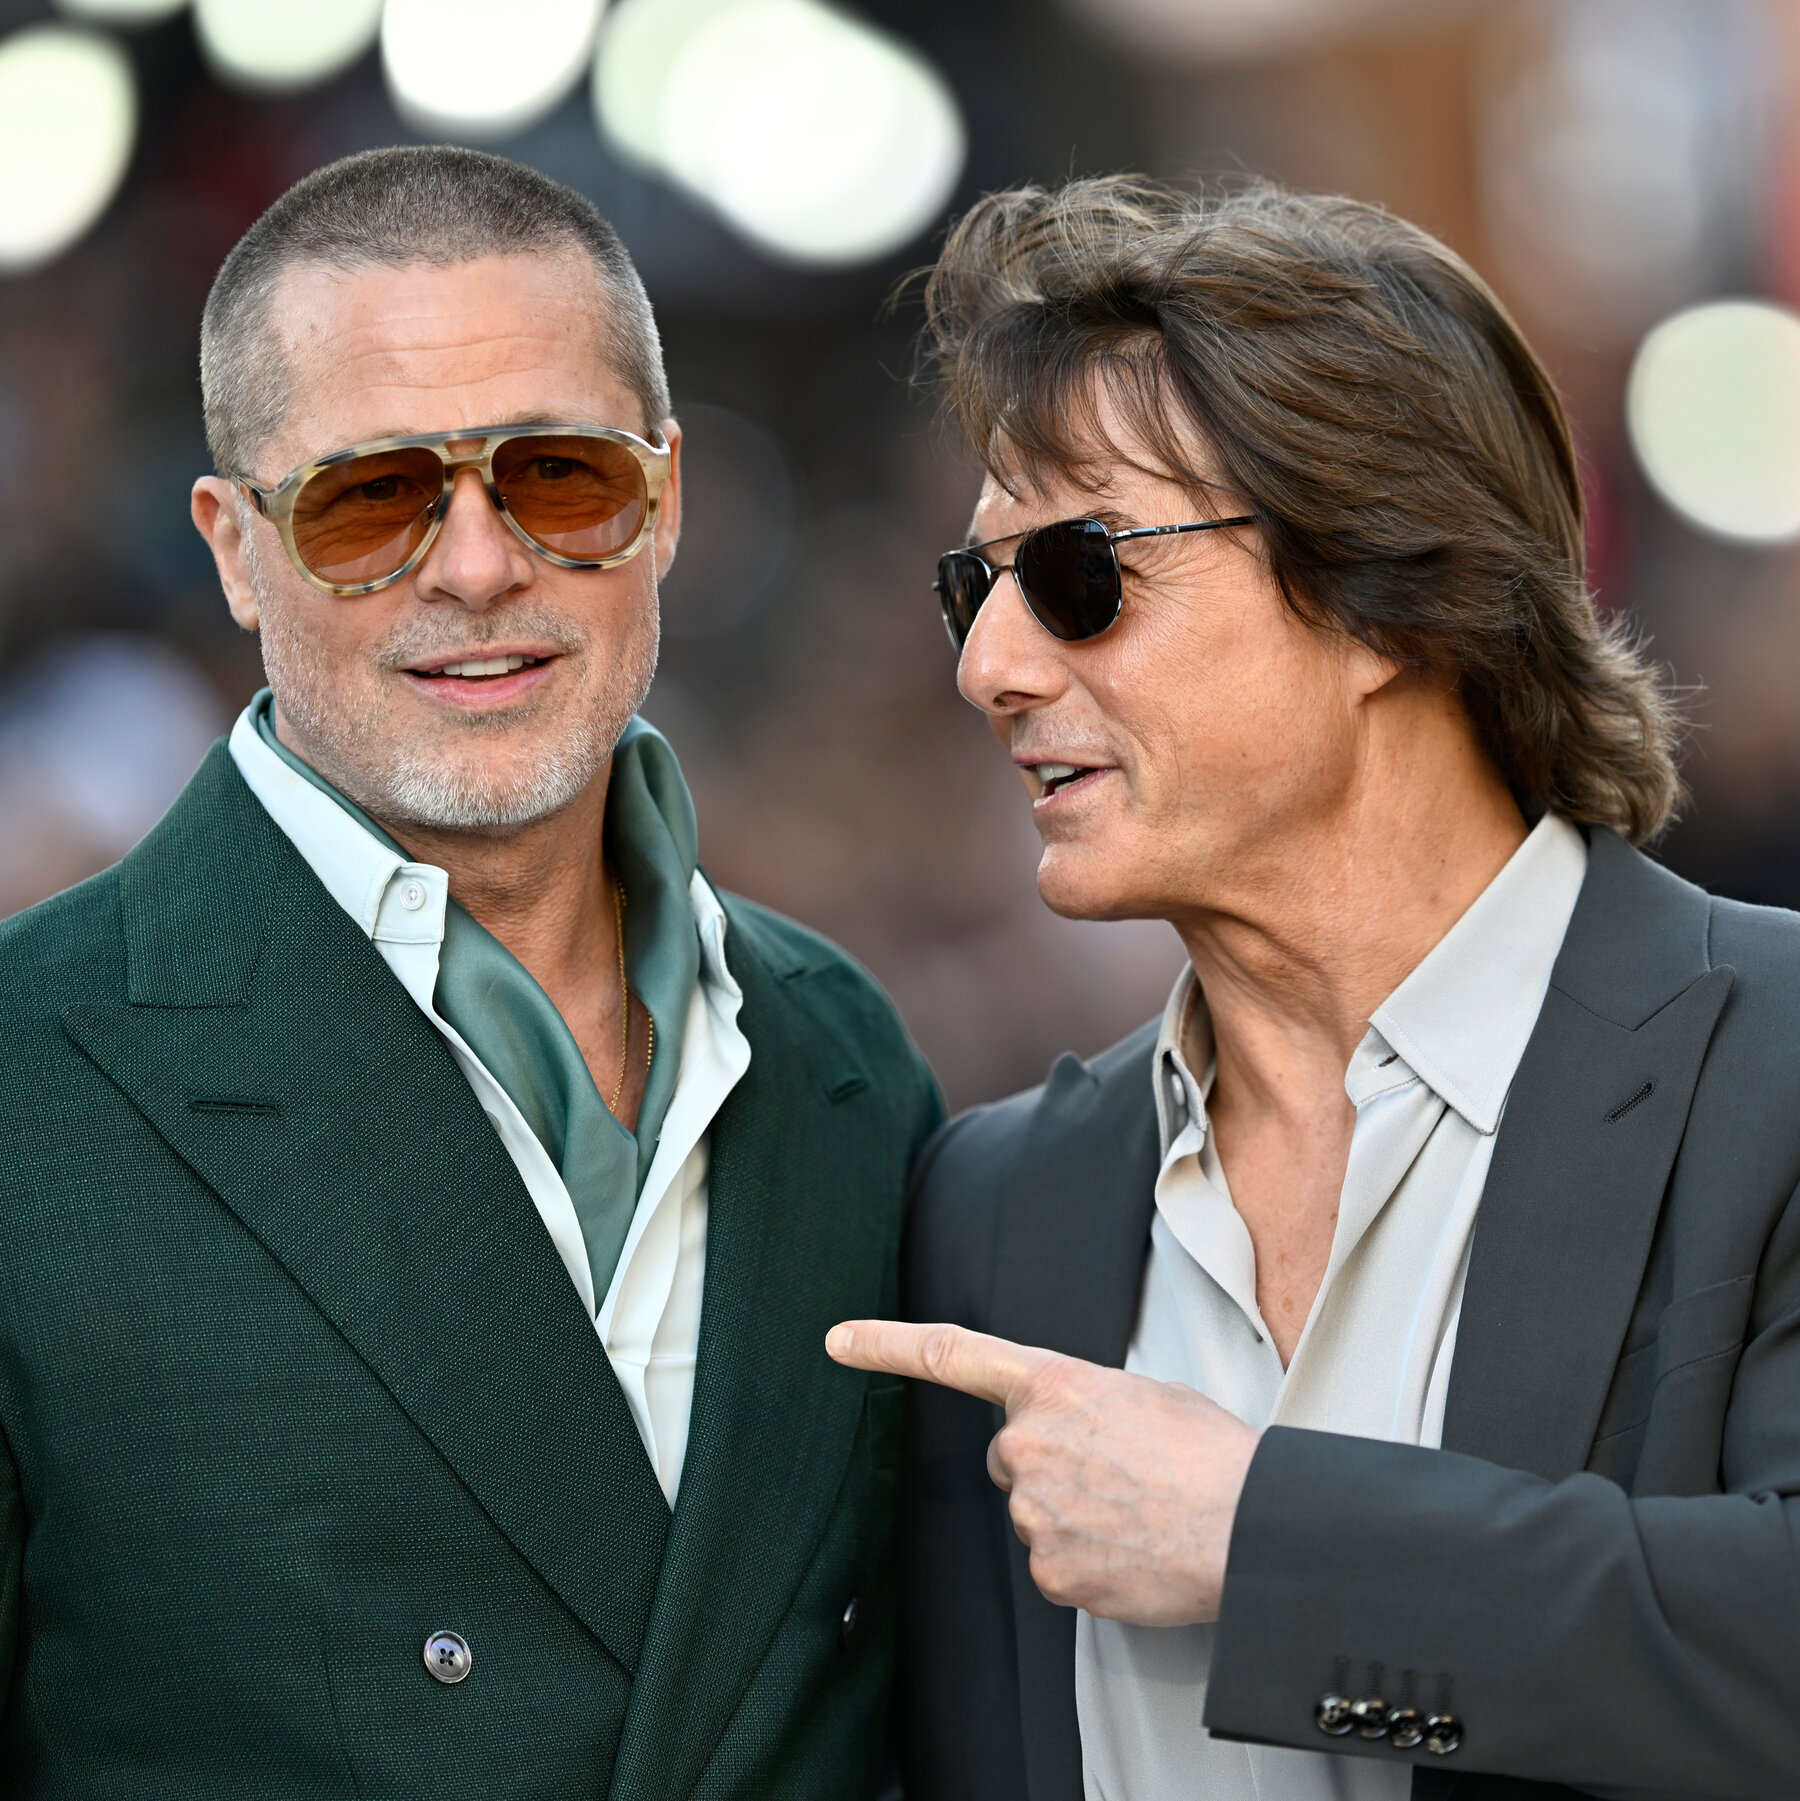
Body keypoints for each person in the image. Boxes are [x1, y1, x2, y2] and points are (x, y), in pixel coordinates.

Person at [828, 175, 1800, 1801]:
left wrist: (1259, 1540)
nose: (989, 664)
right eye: (970, 587)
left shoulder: (1770, 1063)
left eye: (1078, 570)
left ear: (1382, 597)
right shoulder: (998, 1201)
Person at [0, 146, 939, 1796]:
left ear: (667, 501)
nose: (481, 564)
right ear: (234, 547)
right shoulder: (30, 1086)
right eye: (372, 500)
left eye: (560, 478)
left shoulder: (840, 1057)